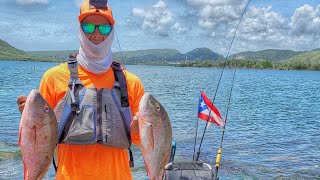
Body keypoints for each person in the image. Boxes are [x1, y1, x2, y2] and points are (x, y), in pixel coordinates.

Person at [16, 0, 144, 179]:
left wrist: (139, 130)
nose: (97, 34)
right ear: (80, 29)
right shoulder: (53, 77)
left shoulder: (131, 82)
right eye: (89, 27)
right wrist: (29, 118)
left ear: (112, 31)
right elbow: (39, 140)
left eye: (104, 28)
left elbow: (140, 141)